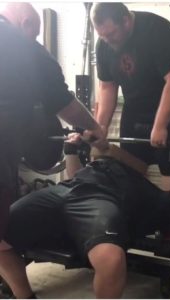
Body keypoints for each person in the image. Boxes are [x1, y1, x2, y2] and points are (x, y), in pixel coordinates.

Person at [0, 134, 170, 299]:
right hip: (68, 188)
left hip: (100, 198)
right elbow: (74, 175)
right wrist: (70, 150)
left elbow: (169, 202)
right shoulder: (94, 164)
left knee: (110, 259)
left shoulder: (142, 184)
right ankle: (24, 296)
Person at [0, 3, 106, 241]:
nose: (35, 40)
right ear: (25, 23)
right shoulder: (25, 48)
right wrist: (95, 128)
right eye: (35, 34)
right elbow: (64, 103)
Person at [92, 2, 170, 177]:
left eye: (111, 34)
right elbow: (107, 87)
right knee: (131, 171)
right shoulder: (103, 43)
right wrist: (101, 126)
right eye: (102, 35)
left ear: (126, 21)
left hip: (168, 112)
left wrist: (160, 125)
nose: (106, 40)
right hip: (133, 112)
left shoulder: (157, 30)